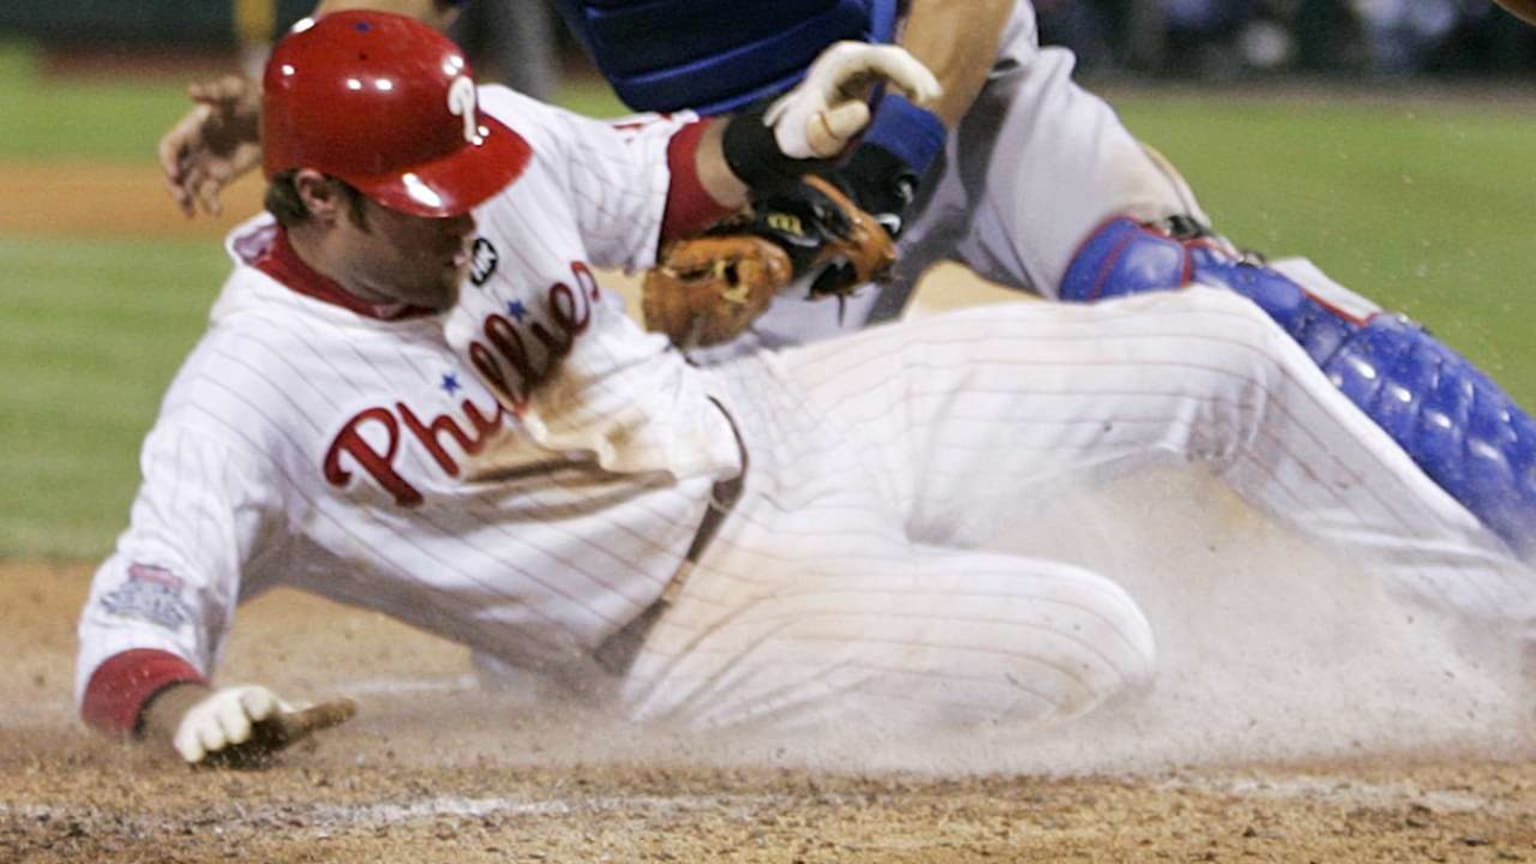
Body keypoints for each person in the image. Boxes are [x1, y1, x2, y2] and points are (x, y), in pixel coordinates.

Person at [99, 10, 1535, 768]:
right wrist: (185, 713)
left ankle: (1515, 632)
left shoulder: (496, 162)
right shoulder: (251, 394)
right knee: (1098, 640)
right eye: (421, 200)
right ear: (306, 198)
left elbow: (659, 178)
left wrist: (785, 133)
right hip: (685, 630)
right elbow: (139, 622)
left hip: (787, 428)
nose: (463, 215)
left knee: (1220, 349)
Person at [157, 0, 1536, 563]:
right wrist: (300, 115)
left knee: (1220, 311)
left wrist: (887, 164)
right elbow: (385, 24)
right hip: (727, 193)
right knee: (715, 592)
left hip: (963, 115)